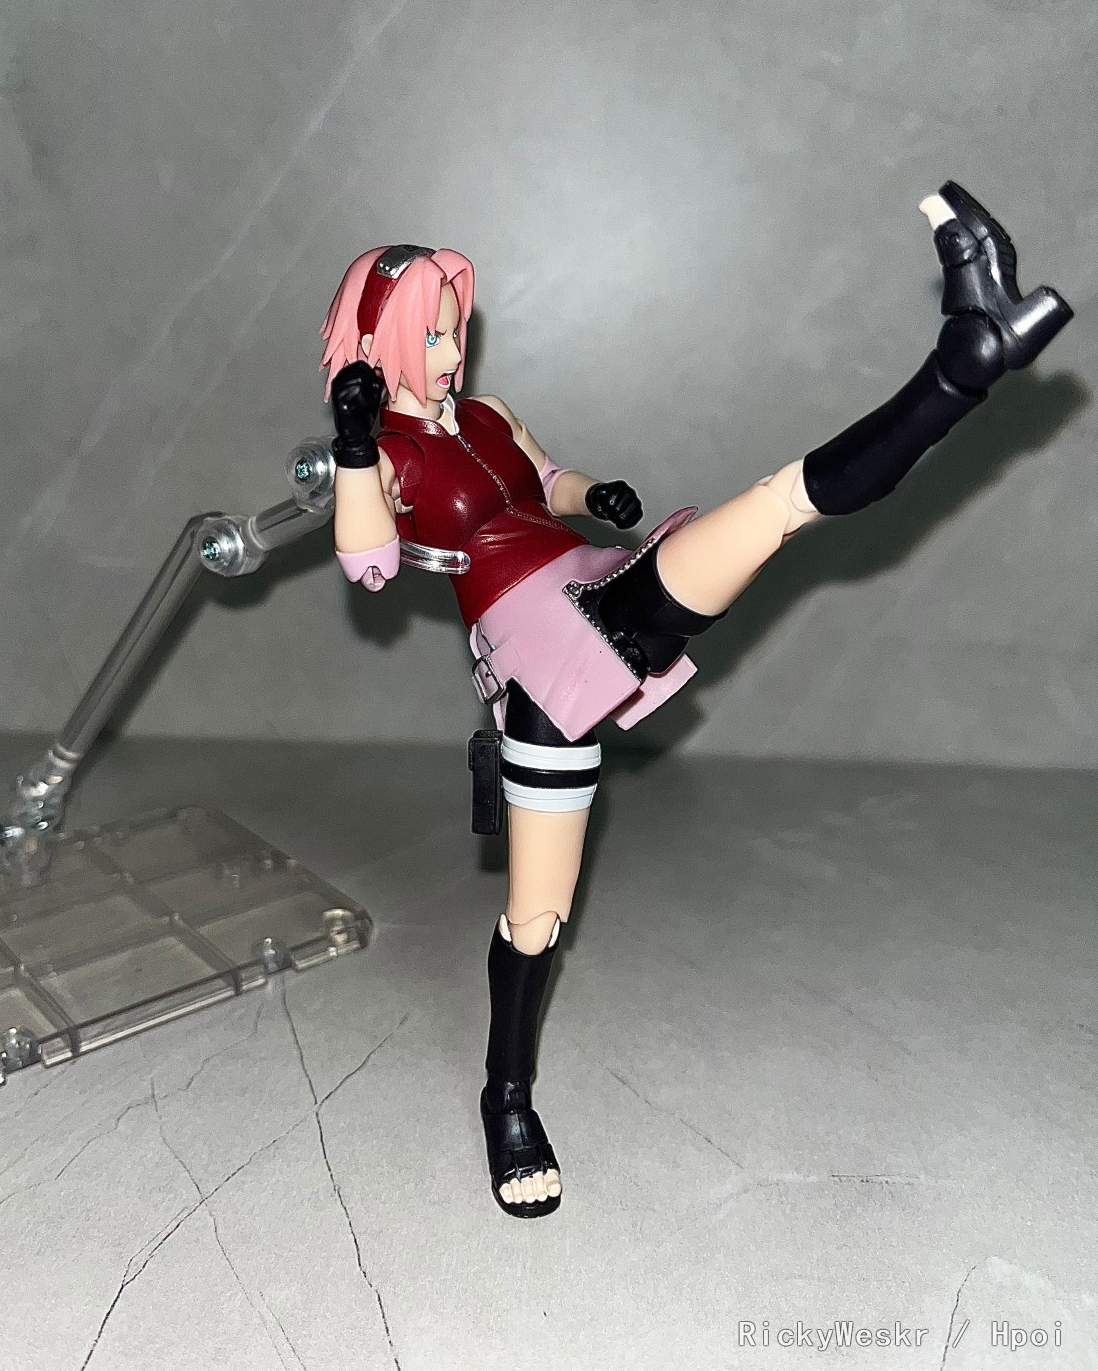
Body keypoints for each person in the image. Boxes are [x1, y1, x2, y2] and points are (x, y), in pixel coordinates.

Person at [318, 184, 1072, 1218]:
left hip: (599, 586)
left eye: (457, 329)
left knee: (777, 506)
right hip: (536, 661)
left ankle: (964, 361)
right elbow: (367, 561)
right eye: (433, 334)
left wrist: (594, 495)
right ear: (381, 343)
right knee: (536, 916)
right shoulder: (388, 454)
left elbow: (549, 478)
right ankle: (507, 1097)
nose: (453, 352)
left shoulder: (489, 416)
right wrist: (354, 443)